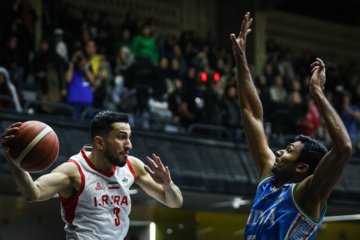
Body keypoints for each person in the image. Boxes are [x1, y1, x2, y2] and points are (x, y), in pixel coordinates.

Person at [230, 12, 352, 239]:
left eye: (288, 151)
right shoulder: (269, 178)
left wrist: (317, 93)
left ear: (302, 168)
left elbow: (343, 148)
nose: (279, 151)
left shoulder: (308, 194)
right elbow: (251, 114)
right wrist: (241, 59)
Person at [1, 110, 183, 239]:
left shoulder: (132, 166)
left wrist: (169, 185)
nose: (129, 145)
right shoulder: (73, 171)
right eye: (121, 137)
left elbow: (175, 203)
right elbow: (33, 193)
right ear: (99, 142)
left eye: (129, 137)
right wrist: (14, 159)